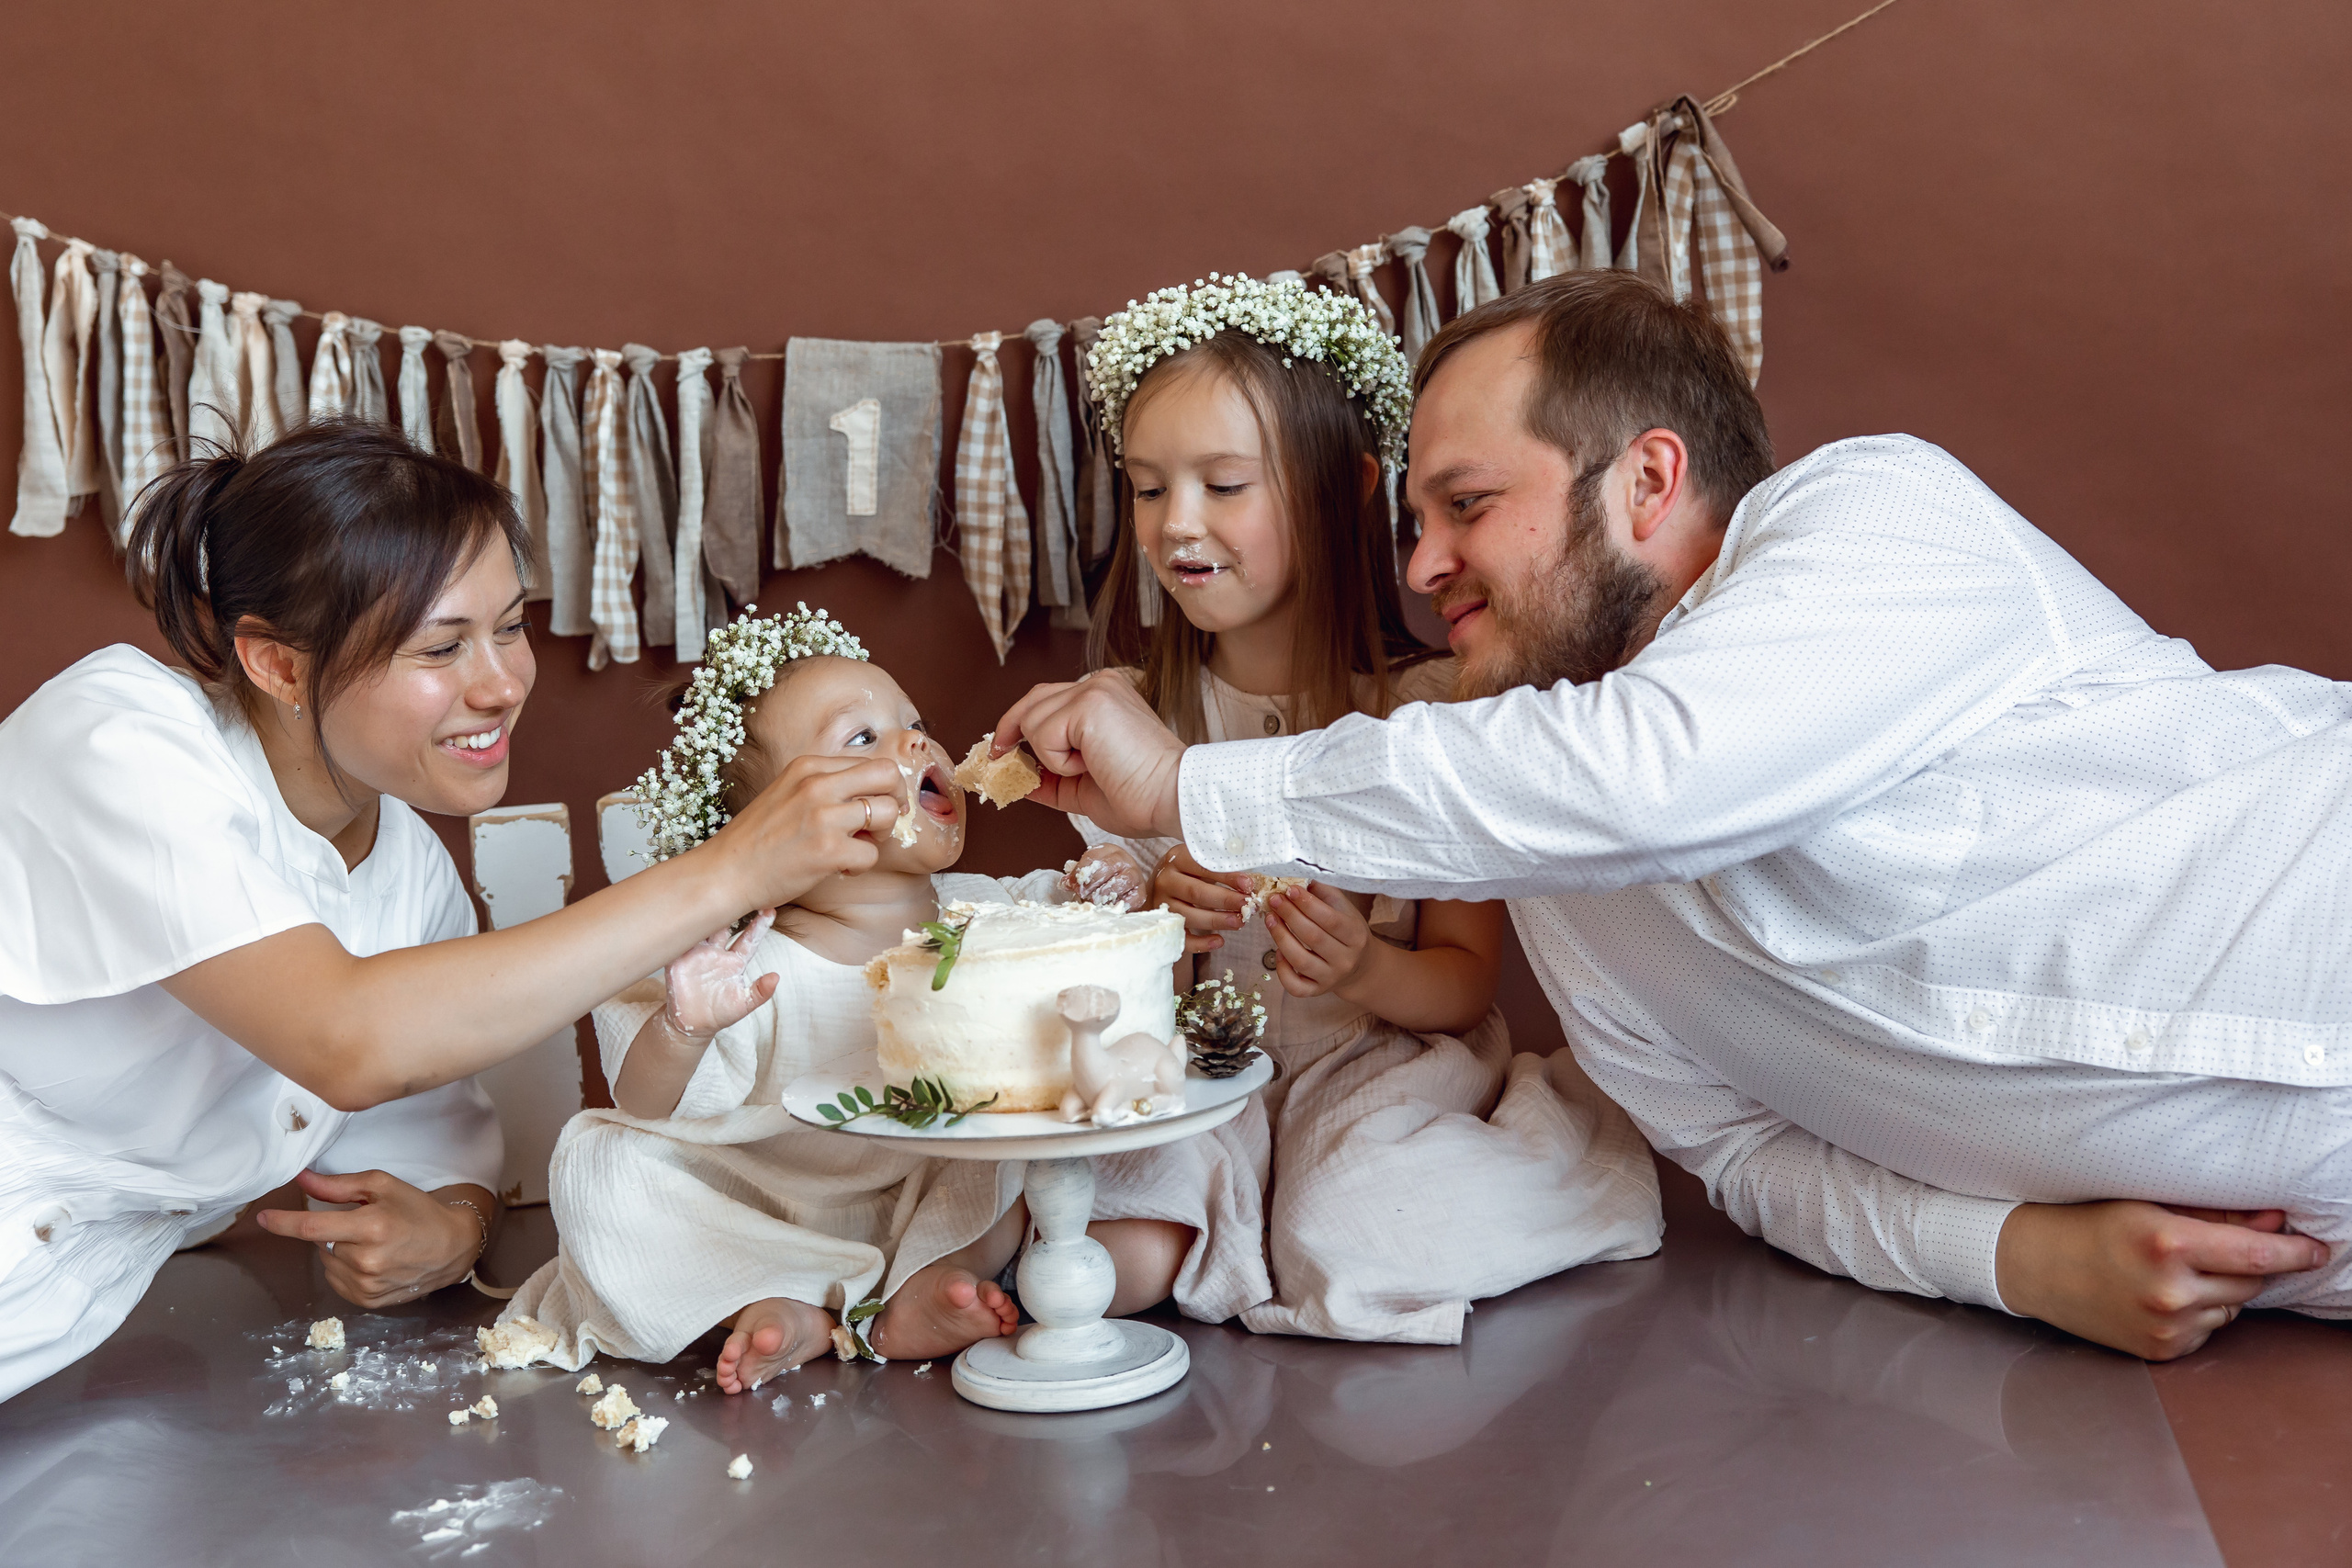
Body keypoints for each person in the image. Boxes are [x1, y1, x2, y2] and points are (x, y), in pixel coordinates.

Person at [992, 270, 2352, 1362]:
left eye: (1465, 504)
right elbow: (1750, 1156)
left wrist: (1186, 791)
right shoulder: (1574, 901)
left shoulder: (1869, 517)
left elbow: (1653, 773)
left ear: (1647, 479)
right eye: (1412, 519)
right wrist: (2007, 1255)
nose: (1419, 565)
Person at [0, 423, 907, 1403]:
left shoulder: (409, 875)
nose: (500, 685)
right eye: (441, 647)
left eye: (509, 628)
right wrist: (729, 870)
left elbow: (432, 1136)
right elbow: (347, 1037)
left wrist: (453, 1226)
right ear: (277, 665)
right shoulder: (120, 735)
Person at [1068, 275, 1663, 1343]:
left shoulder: (1430, 709)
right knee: (1106, 1248)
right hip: (1203, 1072)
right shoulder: (1129, 720)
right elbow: (1112, 1003)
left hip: (1380, 1065)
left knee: (1353, 1249)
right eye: (1149, 490)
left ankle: (1569, 1166)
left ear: (1343, 488)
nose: (1178, 525)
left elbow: (1460, 983)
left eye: (1225, 484)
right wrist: (1160, 916)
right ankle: (1230, 1212)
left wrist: (1359, 969)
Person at [499, 610, 1172, 1389]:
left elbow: (1082, 942)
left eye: (914, 722)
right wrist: (683, 1024)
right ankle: (770, 1302)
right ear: (769, 829)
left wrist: (1115, 885)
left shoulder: (985, 917)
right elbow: (646, 1104)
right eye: (863, 738)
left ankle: (911, 1290)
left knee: (1018, 1142)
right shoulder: (750, 960)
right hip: (765, 1204)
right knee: (602, 1165)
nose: (916, 743)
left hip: (928, 1187)